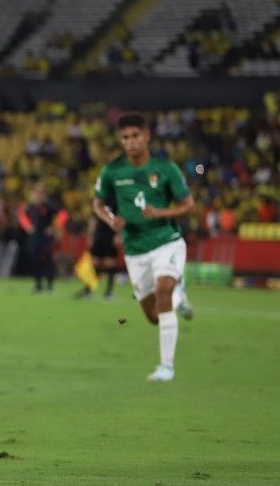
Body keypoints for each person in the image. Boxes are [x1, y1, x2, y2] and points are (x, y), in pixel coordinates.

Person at [93, 112, 194, 383]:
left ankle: (166, 367)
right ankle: (179, 297)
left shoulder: (166, 168)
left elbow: (188, 204)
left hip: (166, 242)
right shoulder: (113, 170)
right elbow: (98, 203)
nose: (131, 142)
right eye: (125, 137)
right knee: (153, 316)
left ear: (147, 136)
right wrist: (110, 220)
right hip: (135, 249)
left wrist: (161, 213)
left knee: (162, 293)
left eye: (136, 136)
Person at [18, 183, 66, 293]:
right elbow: (21, 216)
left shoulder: (49, 205)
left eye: (40, 193)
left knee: (47, 260)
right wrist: (27, 226)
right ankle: (38, 284)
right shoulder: (30, 206)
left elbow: (63, 214)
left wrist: (55, 227)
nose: (38, 195)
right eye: (36, 192)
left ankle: (49, 285)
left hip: (45, 238)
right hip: (34, 237)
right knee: (34, 260)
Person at [76, 206, 121, 300]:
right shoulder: (99, 201)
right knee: (94, 263)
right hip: (98, 236)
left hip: (110, 236)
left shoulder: (116, 201)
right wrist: (90, 236)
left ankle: (109, 291)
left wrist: (118, 235)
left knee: (110, 264)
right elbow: (93, 220)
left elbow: (120, 218)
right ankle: (89, 289)